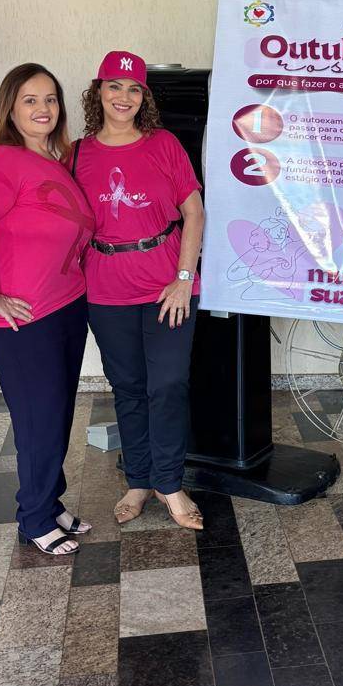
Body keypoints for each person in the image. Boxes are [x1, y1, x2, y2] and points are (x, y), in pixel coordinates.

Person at [0, 64, 94, 556]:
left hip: (66, 306)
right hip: (23, 317)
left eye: (51, 99)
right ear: (11, 109)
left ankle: (49, 501)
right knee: (38, 416)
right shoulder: (2, 161)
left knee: (56, 412)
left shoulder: (56, 162)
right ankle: (34, 517)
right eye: (31, 100)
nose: (43, 109)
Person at [73, 51, 205, 530]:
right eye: (114, 86)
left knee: (168, 385)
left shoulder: (164, 144)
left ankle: (170, 484)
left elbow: (194, 212)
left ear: (143, 97)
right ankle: (139, 479)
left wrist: (184, 279)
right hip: (105, 289)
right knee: (127, 387)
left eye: (133, 89)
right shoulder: (78, 153)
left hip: (167, 285)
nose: (123, 97)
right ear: (98, 92)